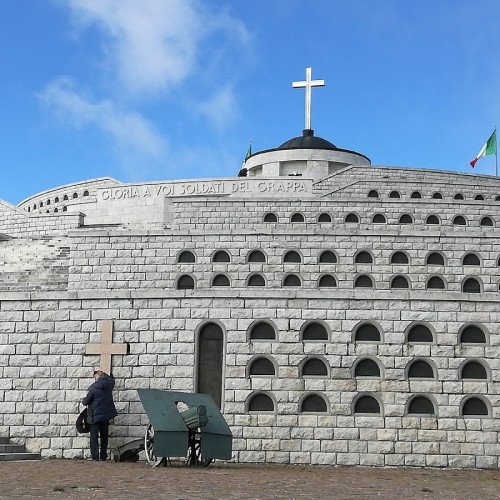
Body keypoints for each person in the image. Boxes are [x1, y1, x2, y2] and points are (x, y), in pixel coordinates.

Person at [82, 369, 118, 461]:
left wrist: (83, 400)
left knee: (94, 437)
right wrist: (104, 374)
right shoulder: (109, 385)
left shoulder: (93, 388)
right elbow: (111, 379)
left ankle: (95, 456)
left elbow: (86, 402)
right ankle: (103, 456)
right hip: (105, 416)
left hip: (95, 416)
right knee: (104, 436)